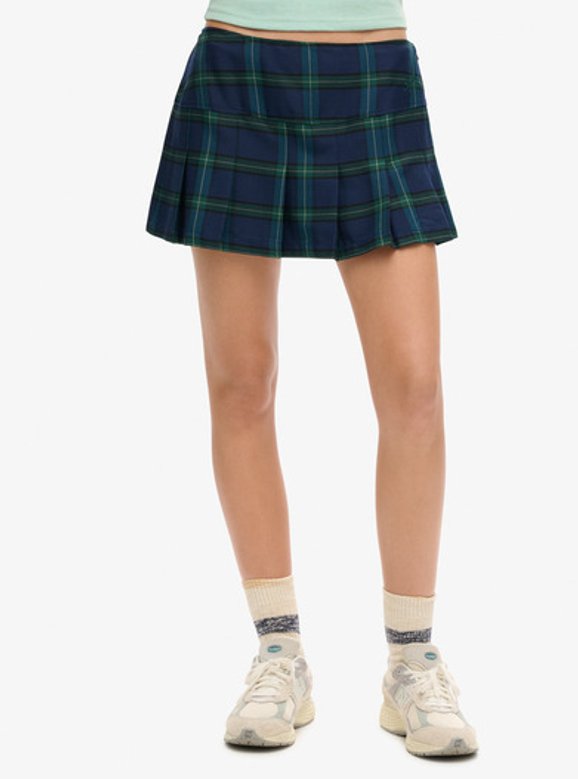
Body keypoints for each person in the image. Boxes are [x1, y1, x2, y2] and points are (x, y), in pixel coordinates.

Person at [145, 0, 478, 758]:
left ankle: (412, 661)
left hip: (373, 76)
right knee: (242, 384)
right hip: (238, 68)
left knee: (416, 391)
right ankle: (279, 652)